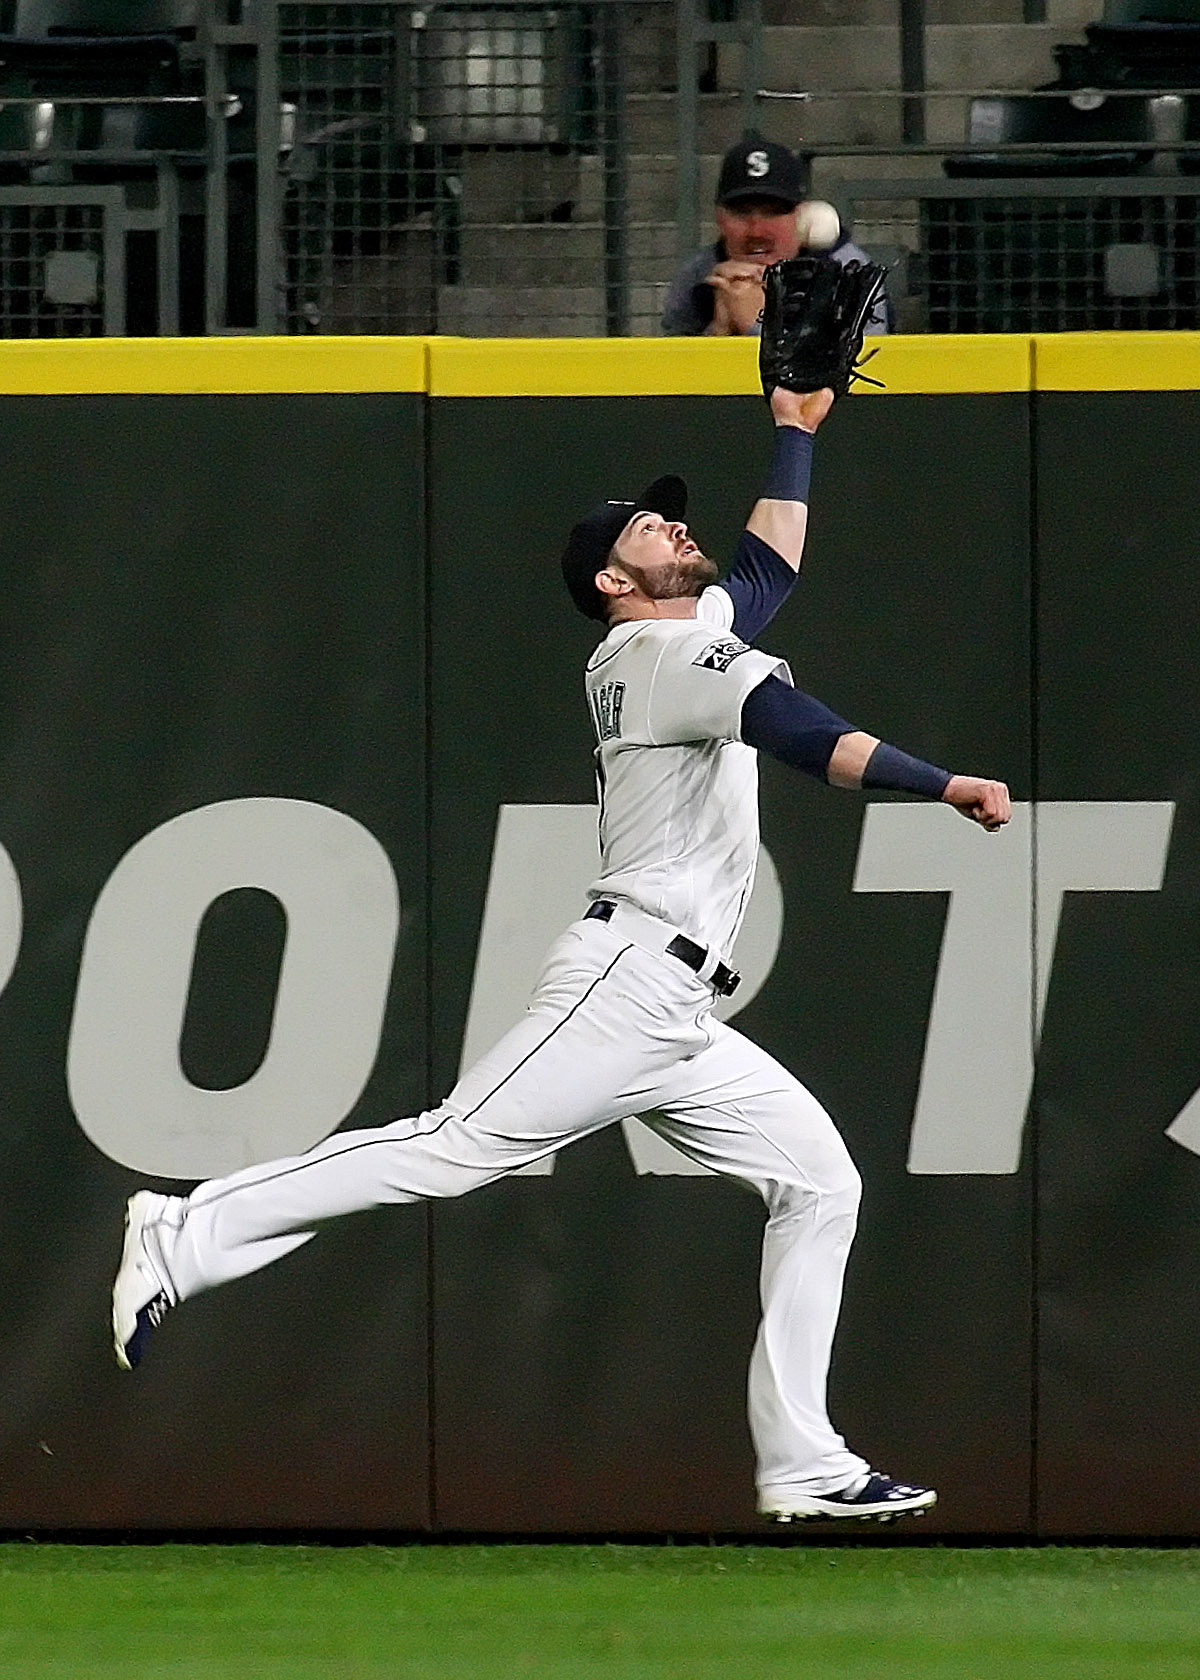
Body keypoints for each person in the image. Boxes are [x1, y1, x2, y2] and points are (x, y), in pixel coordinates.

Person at [112, 384, 1010, 1524]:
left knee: (820, 1181)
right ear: (613, 582)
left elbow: (770, 570)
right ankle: (185, 1226)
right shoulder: (655, 657)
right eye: (652, 526)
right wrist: (944, 786)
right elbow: (806, 737)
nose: (680, 529)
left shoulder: (690, 639)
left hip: (679, 1015)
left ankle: (804, 1462)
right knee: (450, 1147)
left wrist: (796, 427)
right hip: (624, 984)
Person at [662, 132, 891, 339]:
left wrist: (754, 327)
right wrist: (719, 332)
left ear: (803, 217)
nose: (757, 231)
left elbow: (862, 371)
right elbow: (671, 376)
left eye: (774, 212)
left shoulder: (850, 273)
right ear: (719, 218)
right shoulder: (698, 277)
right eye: (741, 213)